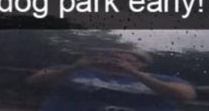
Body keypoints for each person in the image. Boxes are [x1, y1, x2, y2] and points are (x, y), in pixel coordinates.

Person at [28, 47, 196, 110]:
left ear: (142, 63)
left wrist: (133, 74)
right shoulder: (71, 71)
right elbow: (34, 81)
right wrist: (76, 66)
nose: (117, 59)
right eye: (113, 55)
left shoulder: (163, 79)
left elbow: (184, 95)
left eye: (127, 57)